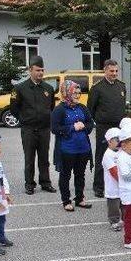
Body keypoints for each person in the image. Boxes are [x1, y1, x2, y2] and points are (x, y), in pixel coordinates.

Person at [9, 55, 56, 195]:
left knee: (44, 157)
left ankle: (45, 182)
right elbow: (14, 109)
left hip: (44, 129)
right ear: (30, 70)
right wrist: (25, 119)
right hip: (28, 129)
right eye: (37, 70)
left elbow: (51, 107)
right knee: (29, 158)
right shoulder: (19, 88)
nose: (40, 73)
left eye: (42, 70)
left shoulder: (48, 88)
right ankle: (29, 184)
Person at [51, 80, 94, 212]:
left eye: (78, 93)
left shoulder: (82, 108)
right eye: (74, 92)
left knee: (80, 174)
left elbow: (90, 124)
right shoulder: (59, 110)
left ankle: (80, 198)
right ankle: (66, 200)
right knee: (65, 175)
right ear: (67, 93)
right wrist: (72, 127)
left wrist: (84, 126)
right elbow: (55, 128)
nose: (77, 95)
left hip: (83, 148)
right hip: (67, 149)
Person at [87, 59, 127, 198]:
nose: (114, 73)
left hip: (119, 127)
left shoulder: (121, 86)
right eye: (111, 71)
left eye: (116, 71)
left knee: (120, 155)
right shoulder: (97, 88)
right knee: (102, 155)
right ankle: (99, 186)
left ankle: (119, 181)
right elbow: (90, 109)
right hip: (104, 128)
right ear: (105, 70)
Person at [102, 127, 123, 231]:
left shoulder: (121, 152)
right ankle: (114, 221)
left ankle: (126, 220)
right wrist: (125, 180)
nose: (120, 142)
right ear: (110, 141)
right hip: (113, 186)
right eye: (117, 140)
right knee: (113, 205)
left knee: (124, 204)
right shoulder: (108, 155)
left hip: (123, 185)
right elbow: (114, 172)